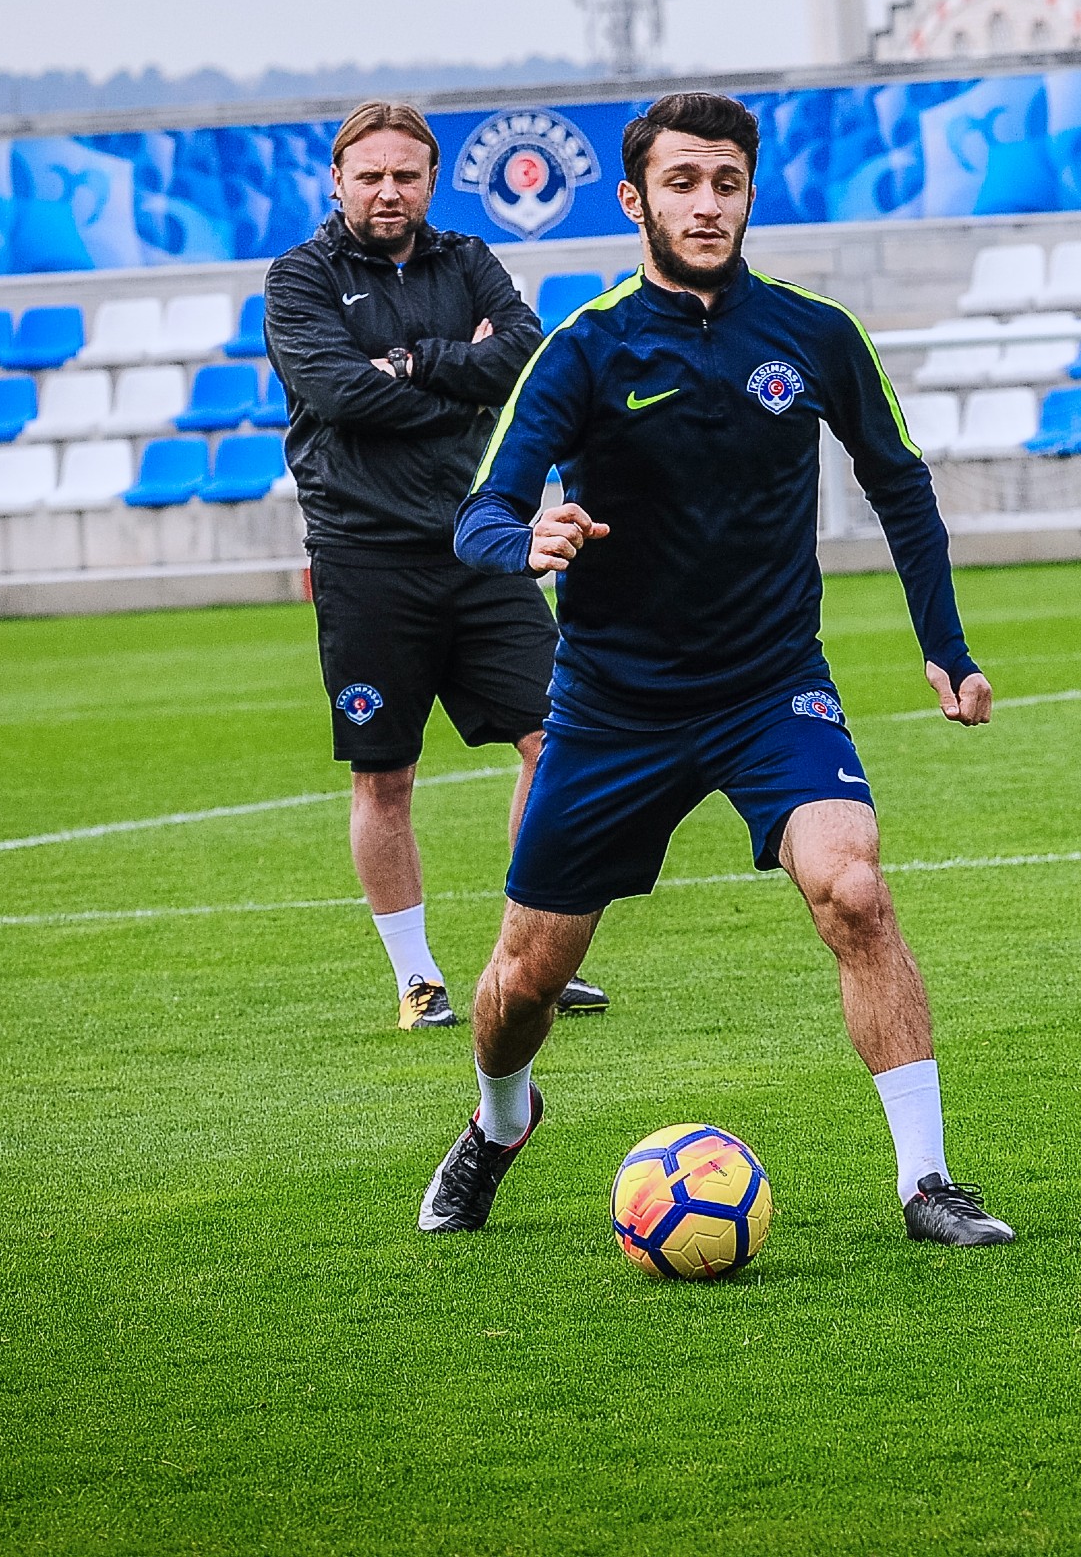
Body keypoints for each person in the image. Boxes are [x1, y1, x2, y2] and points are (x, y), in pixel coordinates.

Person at [420, 89, 1013, 1247]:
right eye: (682, 184)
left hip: (770, 687)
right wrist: (525, 539)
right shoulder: (584, 348)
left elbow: (900, 483)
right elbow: (480, 512)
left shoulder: (814, 334)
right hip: (611, 708)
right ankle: (500, 1121)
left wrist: (945, 647)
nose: (706, 205)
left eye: (726, 184)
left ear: (749, 195)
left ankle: (928, 1181)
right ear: (635, 199)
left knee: (855, 890)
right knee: (523, 985)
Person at [265, 100, 607, 1030]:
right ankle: (417, 979)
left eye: (405, 175)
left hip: (481, 543)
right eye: (370, 175)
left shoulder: (468, 260)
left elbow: (527, 357)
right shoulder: (299, 277)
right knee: (386, 776)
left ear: (430, 181)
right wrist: (461, 380)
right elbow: (337, 392)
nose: (388, 191)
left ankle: (529, 954)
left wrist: (408, 364)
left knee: (557, 740)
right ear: (337, 181)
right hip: (364, 556)